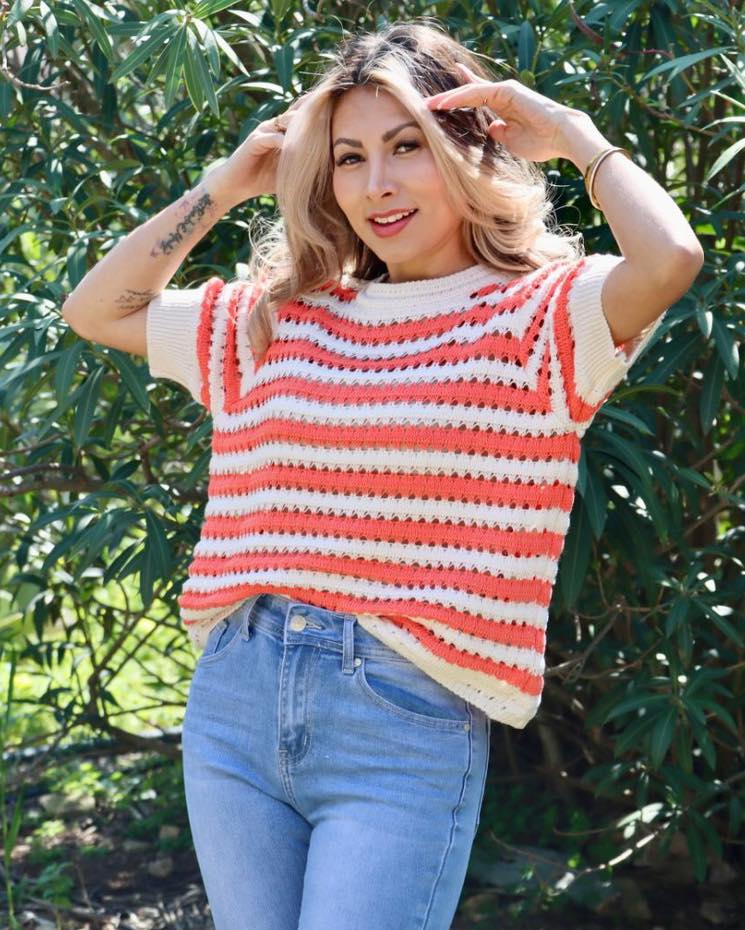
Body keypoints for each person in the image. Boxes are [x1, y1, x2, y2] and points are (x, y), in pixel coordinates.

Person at [61, 19, 703, 930]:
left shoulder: (541, 320)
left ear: (469, 149)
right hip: (237, 699)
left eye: (407, 146)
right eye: (348, 158)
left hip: (402, 720)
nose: (376, 186)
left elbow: (670, 258)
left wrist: (570, 134)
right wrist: (226, 184)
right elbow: (95, 309)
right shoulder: (277, 317)